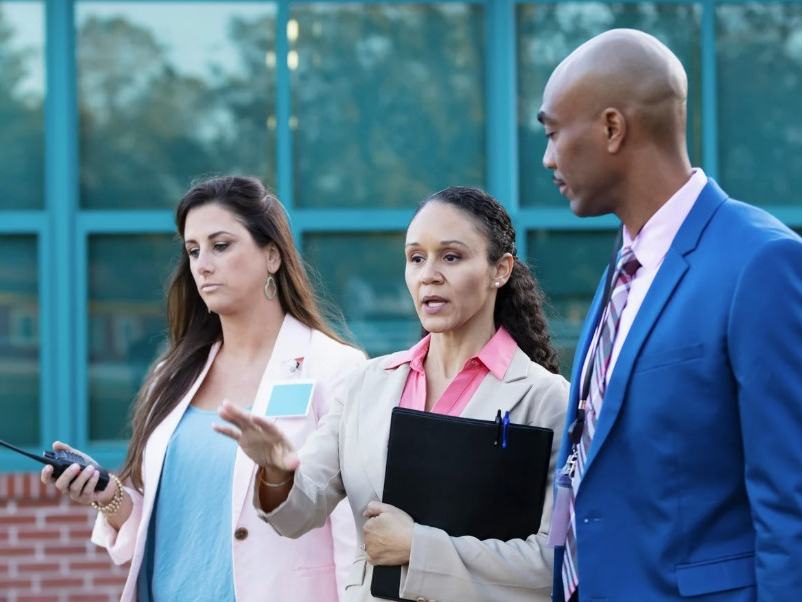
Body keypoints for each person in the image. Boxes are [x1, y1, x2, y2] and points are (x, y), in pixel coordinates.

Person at [538, 29, 802, 601]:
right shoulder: (624, 264)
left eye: (555, 132)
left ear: (612, 128)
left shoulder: (761, 263)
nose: (547, 158)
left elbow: (791, 501)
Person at [216, 186, 569, 602]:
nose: (428, 274)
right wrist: (276, 472)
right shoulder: (366, 385)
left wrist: (419, 549)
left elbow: (555, 561)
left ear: (501, 269)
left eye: (451, 257)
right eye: (416, 258)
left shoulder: (548, 400)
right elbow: (297, 515)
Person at [41, 175, 366, 602]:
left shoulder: (337, 368)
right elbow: (168, 523)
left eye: (221, 245)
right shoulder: (171, 374)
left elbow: (352, 533)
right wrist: (108, 495)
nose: (202, 264)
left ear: (272, 255)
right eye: (193, 250)